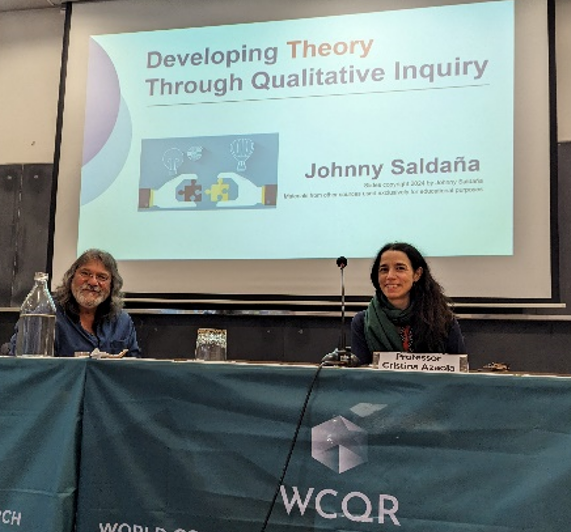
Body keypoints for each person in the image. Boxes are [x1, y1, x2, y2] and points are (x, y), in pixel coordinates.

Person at [10, 249, 140, 357]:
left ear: (112, 285)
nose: (93, 282)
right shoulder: (46, 314)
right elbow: (24, 365)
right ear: (71, 278)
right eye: (85, 273)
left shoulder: (122, 321)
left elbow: (133, 369)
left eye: (102, 277)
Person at [351, 242, 465, 365]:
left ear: (417, 274)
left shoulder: (443, 320)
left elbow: (459, 373)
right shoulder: (363, 322)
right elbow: (360, 378)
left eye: (400, 268)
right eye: (384, 270)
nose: (390, 276)